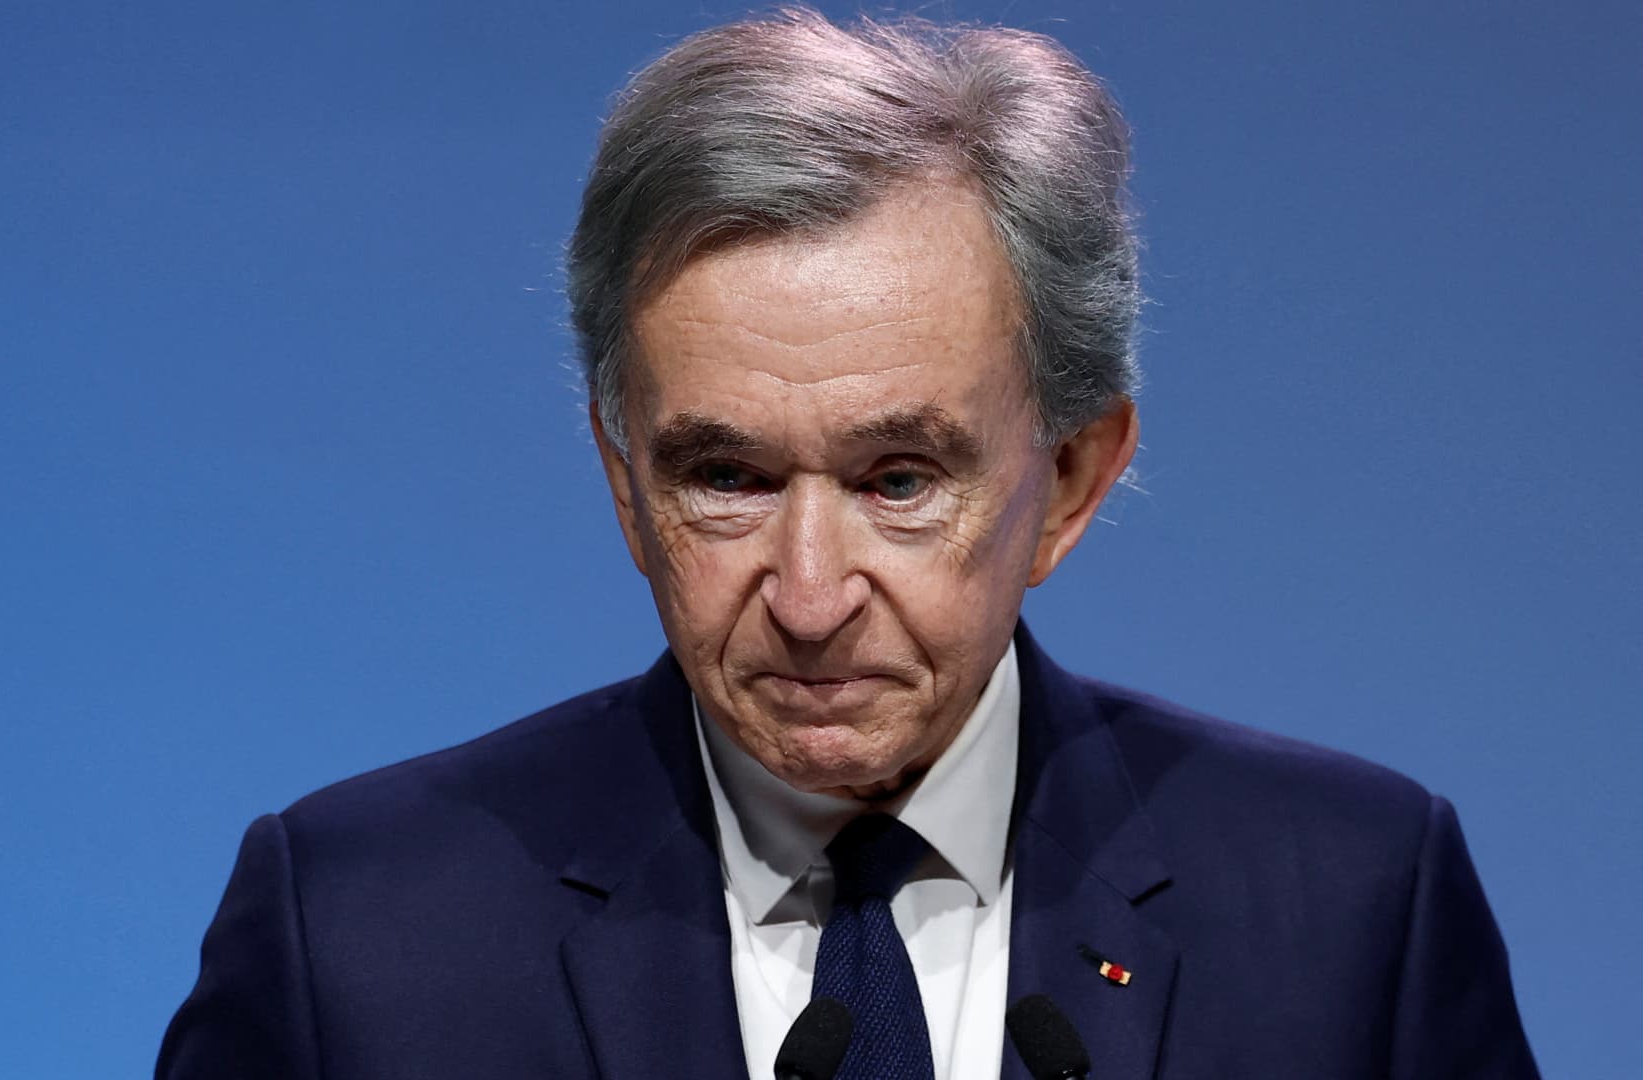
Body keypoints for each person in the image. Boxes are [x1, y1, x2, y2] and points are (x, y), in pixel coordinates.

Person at [156, 10, 1539, 1078]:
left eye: (898, 480)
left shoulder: (1353, 906)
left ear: (1070, 480)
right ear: (625, 484)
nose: (810, 599)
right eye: (727, 478)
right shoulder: (356, 933)